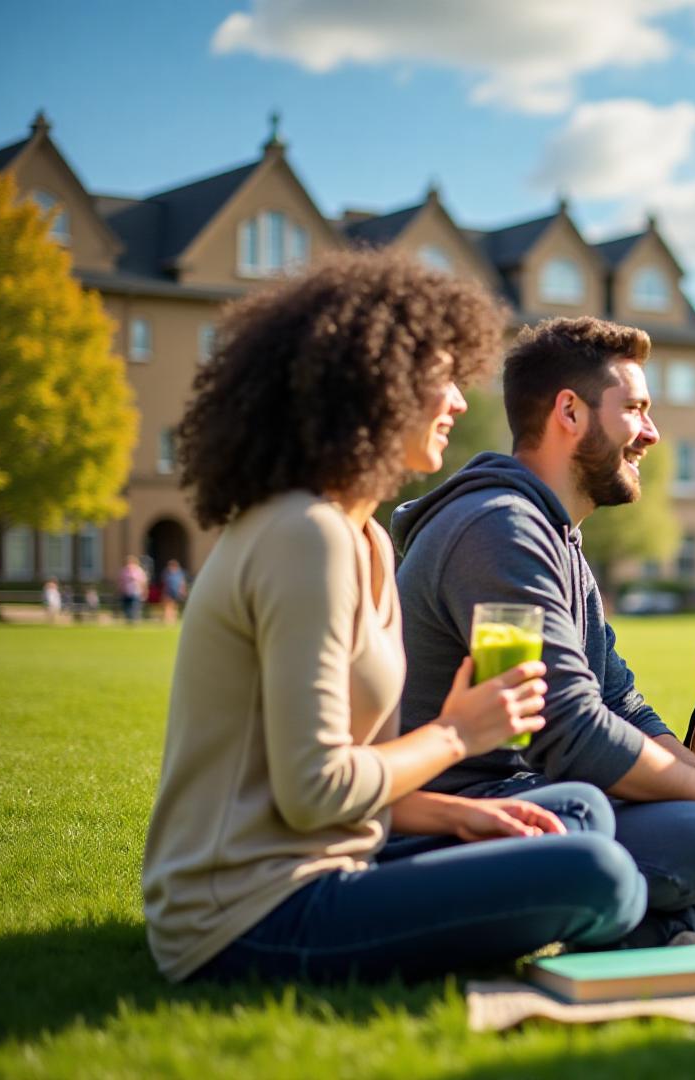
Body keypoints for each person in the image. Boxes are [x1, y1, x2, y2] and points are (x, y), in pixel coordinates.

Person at [143, 252, 646, 984]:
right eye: (441, 377)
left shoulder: (369, 539)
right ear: (373, 384)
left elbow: (353, 785)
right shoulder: (300, 536)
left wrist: (456, 816)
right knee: (601, 872)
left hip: (336, 864)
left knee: (575, 811)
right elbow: (315, 791)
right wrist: (456, 733)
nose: (459, 401)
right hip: (247, 918)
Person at [393, 317, 695, 939]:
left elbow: (620, 703)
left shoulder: (557, 539)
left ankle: (652, 906)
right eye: (635, 408)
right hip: (460, 813)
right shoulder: (499, 529)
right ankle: (693, 910)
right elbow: (573, 732)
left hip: (540, 792)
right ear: (570, 413)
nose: (653, 434)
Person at [117, 556, 146, 623]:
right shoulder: (124, 570)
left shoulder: (138, 570)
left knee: (135, 606)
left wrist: (144, 591)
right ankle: (128, 619)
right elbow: (121, 581)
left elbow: (143, 582)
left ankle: (134, 619)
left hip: (136, 591)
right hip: (126, 592)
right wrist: (120, 589)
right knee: (126, 606)